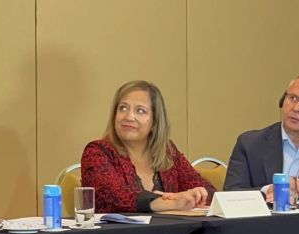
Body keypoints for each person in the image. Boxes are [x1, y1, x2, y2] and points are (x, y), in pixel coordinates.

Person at [81, 80, 214, 213]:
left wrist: (197, 195)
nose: (129, 117)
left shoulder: (168, 152)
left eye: (140, 111)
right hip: (119, 233)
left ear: (155, 122)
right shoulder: (97, 152)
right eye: (123, 108)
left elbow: (210, 194)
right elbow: (110, 197)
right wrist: (167, 202)